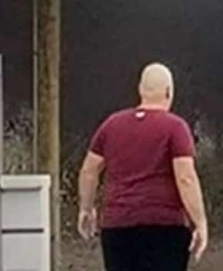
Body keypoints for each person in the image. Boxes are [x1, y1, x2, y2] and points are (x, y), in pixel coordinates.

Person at [76, 62, 210, 270]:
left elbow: (89, 170)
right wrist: (199, 222)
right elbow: (186, 178)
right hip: (164, 228)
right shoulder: (175, 127)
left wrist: (86, 208)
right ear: (169, 92)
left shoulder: (112, 124)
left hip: (117, 228)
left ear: (140, 90)